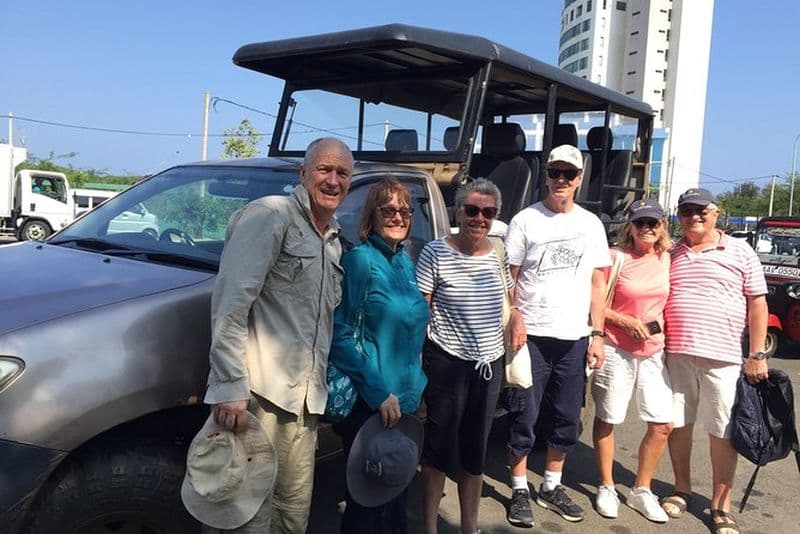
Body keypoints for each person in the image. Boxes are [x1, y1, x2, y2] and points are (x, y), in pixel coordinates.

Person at [202, 137, 353, 533]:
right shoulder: (271, 215)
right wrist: (230, 386)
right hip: (257, 399)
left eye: (342, 172)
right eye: (324, 169)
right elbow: (231, 304)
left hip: (303, 404)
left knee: (291, 514)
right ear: (303, 173)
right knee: (242, 512)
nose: (333, 180)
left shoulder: (332, 240)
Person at [503, 144, 610, 527]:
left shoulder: (590, 224)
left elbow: (599, 283)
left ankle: (551, 484)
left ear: (580, 178)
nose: (561, 180)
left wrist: (597, 334)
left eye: (569, 173)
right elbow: (508, 278)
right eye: (555, 172)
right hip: (530, 336)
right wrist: (514, 315)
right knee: (523, 413)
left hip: (574, 337)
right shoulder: (525, 221)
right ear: (546, 175)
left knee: (567, 416)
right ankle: (518, 488)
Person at [416, 178, 524, 534]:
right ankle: (430, 527)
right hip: (446, 362)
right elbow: (422, 311)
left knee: (475, 451)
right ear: (459, 211)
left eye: (488, 212)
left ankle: (469, 527)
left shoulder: (497, 251)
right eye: (473, 210)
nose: (480, 218)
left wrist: (518, 318)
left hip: (487, 366)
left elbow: (510, 297)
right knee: (438, 450)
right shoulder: (436, 252)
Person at [660, 188, 768, 534]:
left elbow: (757, 303)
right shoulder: (672, 251)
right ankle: (681, 489)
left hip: (723, 358)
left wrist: (756, 354)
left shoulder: (740, 250)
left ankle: (721, 506)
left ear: (716, 212)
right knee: (678, 424)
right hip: (676, 353)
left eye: (700, 210)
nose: (693, 216)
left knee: (722, 432)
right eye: (686, 210)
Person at [329, 177, 430, 533]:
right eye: (388, 210)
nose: (399, 217)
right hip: (371, 403)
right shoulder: (360, 261)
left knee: (397, 497)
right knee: (367, 509)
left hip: (405, 402)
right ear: (371, 216)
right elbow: (340, 335)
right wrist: (378, 393)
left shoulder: (404, 263)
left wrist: (417, 383)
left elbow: (412, 326)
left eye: (405, 210)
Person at [591, 198, 673, 523]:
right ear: (630, 227)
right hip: (616, 347)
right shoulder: (615, 258)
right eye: (640, 223)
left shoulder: (668, 258)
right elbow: (595, 301)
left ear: (662, 226)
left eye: (653, 223)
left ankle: (642, 488)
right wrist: (624, 322)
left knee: (663, 423)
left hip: (655, 352)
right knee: (608, 417)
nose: (647, 229)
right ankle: (607, 485)